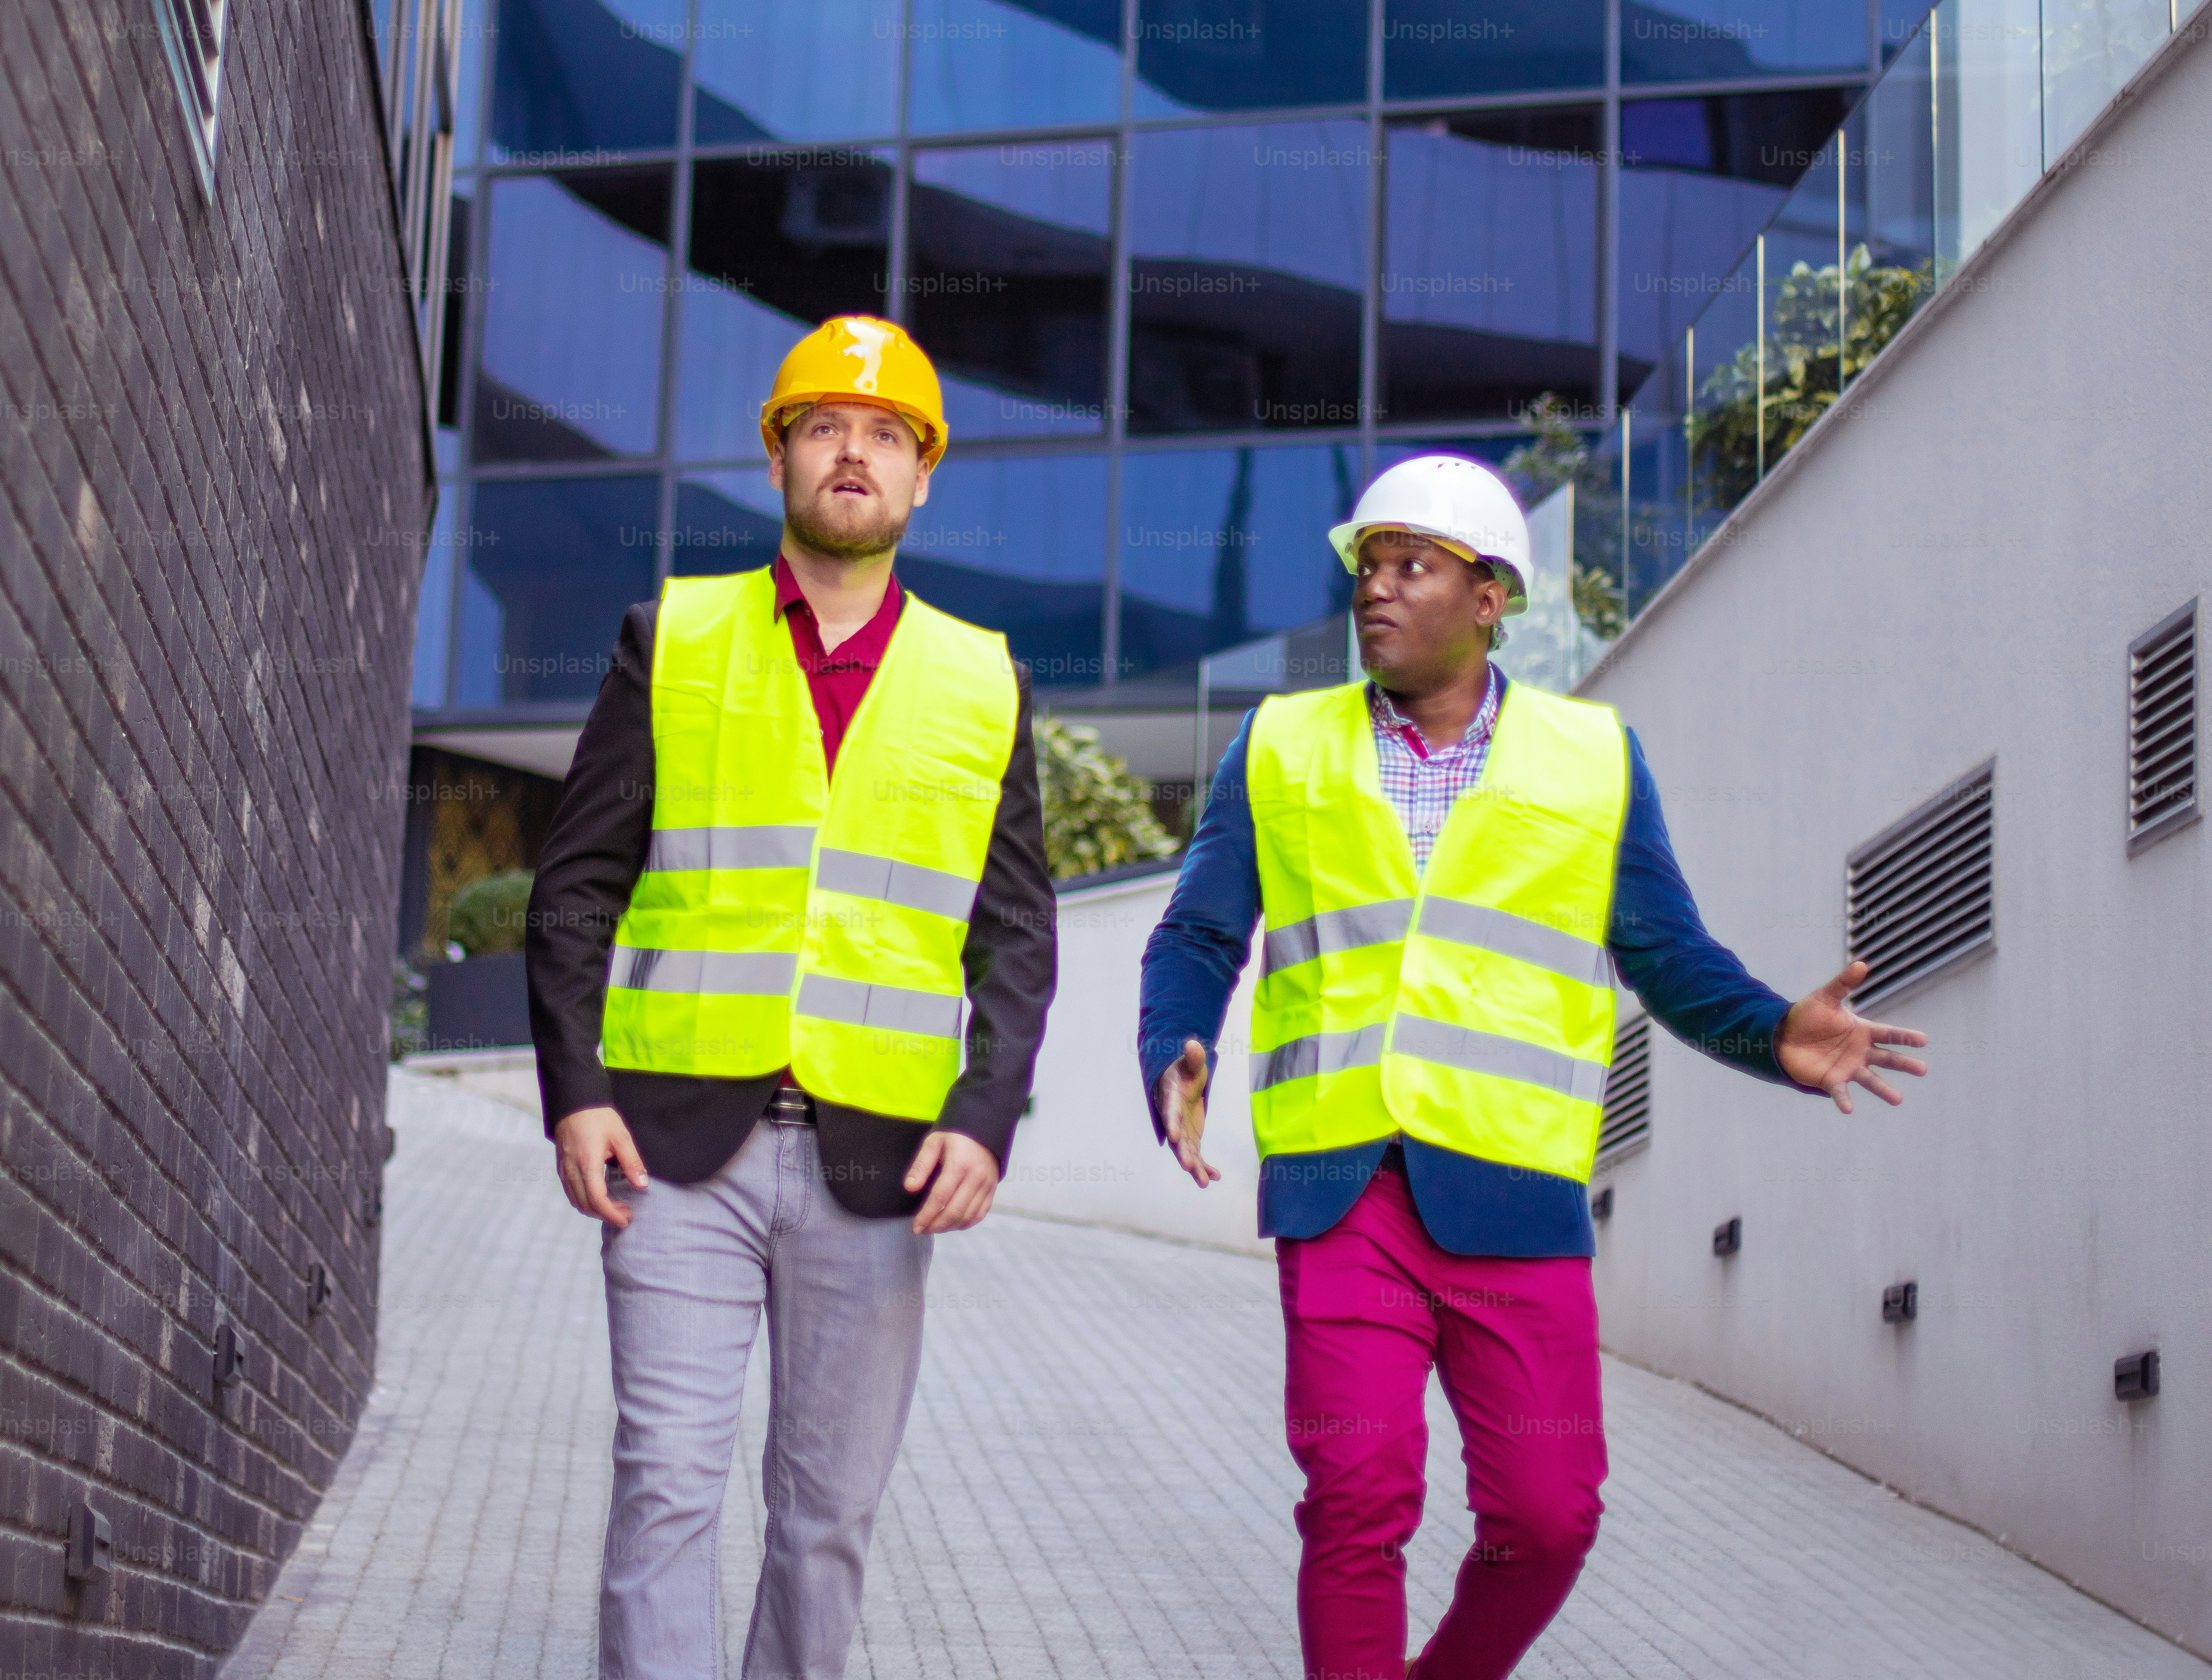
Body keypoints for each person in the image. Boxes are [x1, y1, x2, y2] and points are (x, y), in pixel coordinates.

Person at [1138, 455, 1928, 1680]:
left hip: (1514, 1203)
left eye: (1412, 566)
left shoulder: (1592, 759)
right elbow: (1198, 929)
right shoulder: (1278, 744)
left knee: (1548, 1517)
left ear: (1489, 593)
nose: (1377, 591)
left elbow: (1665, 954)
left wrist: (1772, 1031)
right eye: (1368, 566)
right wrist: (1173, 1041)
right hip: (1341, 1193)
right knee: (1358, 1495)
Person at [525, 316, 1056, 1680]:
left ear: (922, 475)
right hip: (672, 1148)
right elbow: (577, 882)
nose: (854, 453)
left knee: (824, 1521)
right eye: (824, 426)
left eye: (887, 434)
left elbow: (1014, 933)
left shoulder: (982, 679)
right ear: (778, 457)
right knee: (665, 1491)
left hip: (877, 1162)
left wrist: (986, 1115)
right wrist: (574, 1093)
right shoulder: (675, 637)